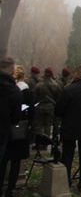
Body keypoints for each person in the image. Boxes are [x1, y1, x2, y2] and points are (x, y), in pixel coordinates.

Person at [0, 63, 31, 197]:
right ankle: (10, 189)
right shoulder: (22, 92)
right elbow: (29, 113)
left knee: (3, 161)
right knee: (15, 161)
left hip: (6, 130)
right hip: (17, 130)